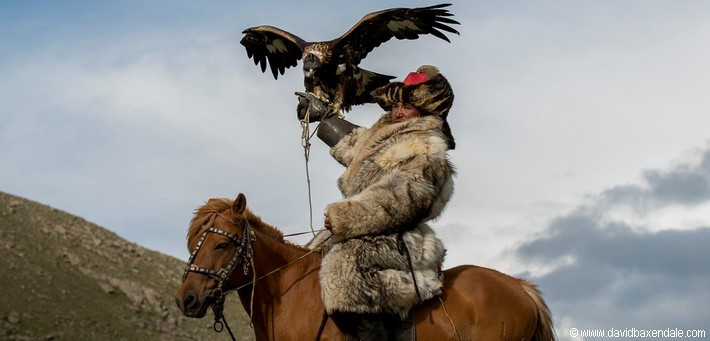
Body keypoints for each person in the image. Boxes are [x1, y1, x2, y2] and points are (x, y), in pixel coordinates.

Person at [298, 65, 456, 340]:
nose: (397, 112)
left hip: (401, 237)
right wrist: (322, 116)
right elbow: (357, 146)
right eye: (395, 105)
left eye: (406, 106)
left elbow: (400, 200)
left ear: (425, 110)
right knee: (309, 259)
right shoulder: (387, 135)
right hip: (366, 229)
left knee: (346, 270)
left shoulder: (426, 148)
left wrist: (344, 217)